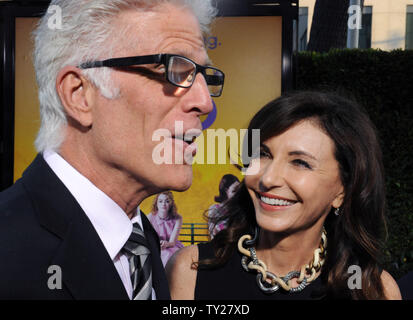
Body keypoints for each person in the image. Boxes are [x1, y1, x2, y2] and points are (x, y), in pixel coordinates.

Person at [0, 0, 224, 299]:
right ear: (79, 94)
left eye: (202, 76)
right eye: (172, 69)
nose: (205, 103)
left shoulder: (140, 238)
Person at [166, 91, 402, 300]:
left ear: (342, 190)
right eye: (263, 154)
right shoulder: (192, 270)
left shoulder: (371, 289)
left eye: (300, 163)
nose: (268, 178)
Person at [148, 192, 184, 266]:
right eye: (160, 201)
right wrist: (158, 244)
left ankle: (168, 276)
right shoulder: (150, 217)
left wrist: (166, 244)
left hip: (171, 246)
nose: (163, 204)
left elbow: (172, 242)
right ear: (156, 203)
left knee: (169, 254)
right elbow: (149, 237)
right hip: (155, 246)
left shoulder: (178, 218)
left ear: (171, 204)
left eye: (167, 201)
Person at [207, 174, 240, 239]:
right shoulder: (215, 209)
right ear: (225, 191)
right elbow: (215, 232)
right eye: (234, 191)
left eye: (238, 191)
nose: (237, 195)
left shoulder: (238, 208)